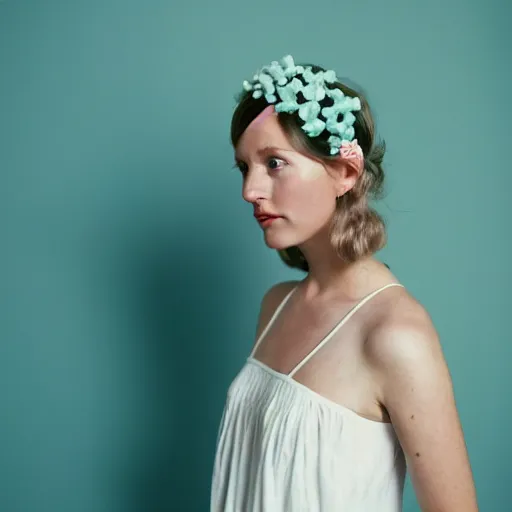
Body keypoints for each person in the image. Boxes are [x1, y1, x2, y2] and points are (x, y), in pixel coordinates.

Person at [210, 55, 478, 511]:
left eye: (274, 162)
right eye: (243, 167)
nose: (249, 190)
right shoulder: (275, 305)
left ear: (345, 173)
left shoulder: (395, 335)